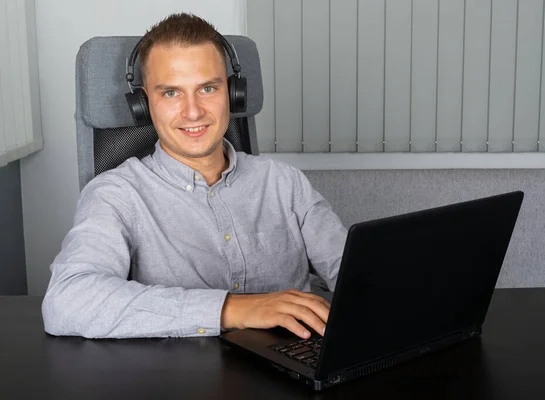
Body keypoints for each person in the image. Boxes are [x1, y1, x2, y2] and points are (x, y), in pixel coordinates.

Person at [41, 13, 347, 340]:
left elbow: (354, 273)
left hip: (298, 369)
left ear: (232, 94)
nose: (193, 112)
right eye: (171, 93)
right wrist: (232, 309)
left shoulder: (285, 183)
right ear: (144, 104)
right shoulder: (115, 194)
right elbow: (66, 302)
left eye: (207, 88)